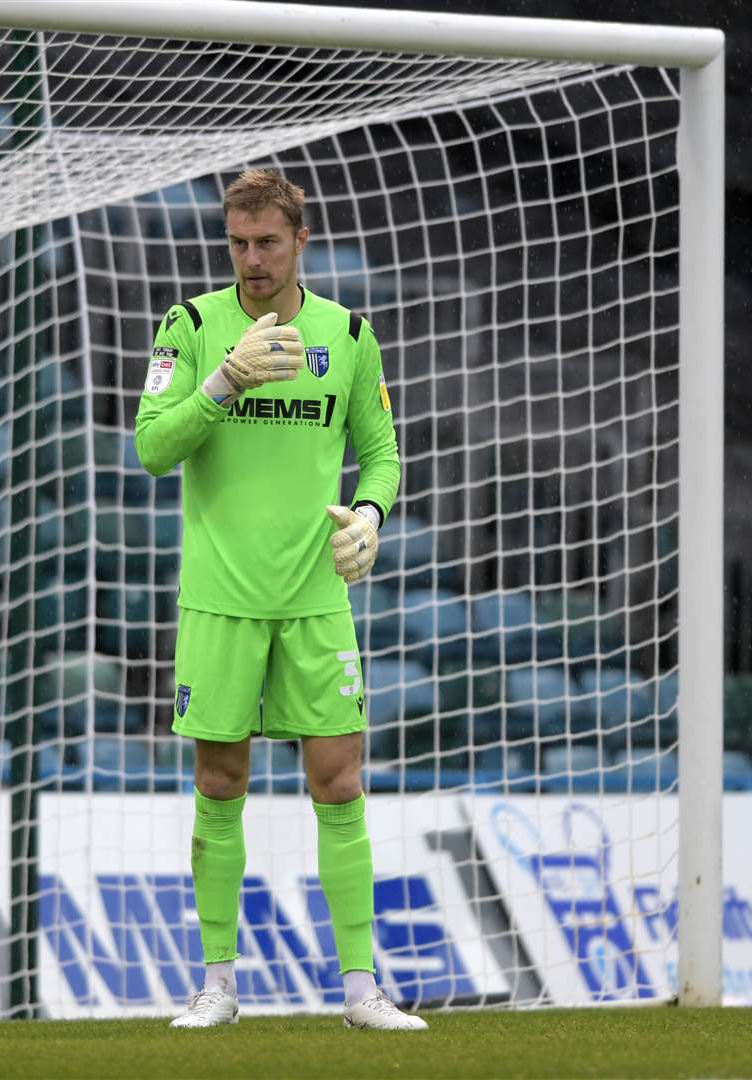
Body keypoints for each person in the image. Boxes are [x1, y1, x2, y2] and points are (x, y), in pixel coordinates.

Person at [134, 168, 422, 1031]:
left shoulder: (350, 333)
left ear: (302, 240)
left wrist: (369, 516)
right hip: (219, 600)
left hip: (315, 600)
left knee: (339, 784)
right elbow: (152, 446)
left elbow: (382, 454)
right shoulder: (190, 326)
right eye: (237, 243)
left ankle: (362, 991)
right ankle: (217, 986)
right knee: (220, 782)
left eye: (266, 242)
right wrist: (221, 383)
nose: (251, 260)